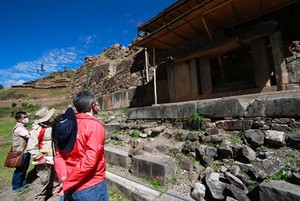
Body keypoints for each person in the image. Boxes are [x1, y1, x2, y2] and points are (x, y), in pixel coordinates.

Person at [53, 90, 108, 201]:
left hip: (69, 180)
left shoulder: (68, 124)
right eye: (96, 103)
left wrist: (63, 177)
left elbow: (59, 155)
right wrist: (68, 182)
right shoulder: (94, 125)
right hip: (90, 185)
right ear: (93, 105)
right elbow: (90, 161)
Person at [27, 107, 57, 201]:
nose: (52, 117)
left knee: (53, 176)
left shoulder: (52, 125)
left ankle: (51, 191)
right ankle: (39, 198)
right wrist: (39, 157)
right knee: (43, 179)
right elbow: (31, 147)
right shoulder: (37, 130)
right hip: (44, 158)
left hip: (53, 156)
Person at [11, 111, 31, 193]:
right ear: (19, 119)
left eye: (26, 116)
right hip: (20, 152)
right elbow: (28, 134)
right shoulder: (19, 128)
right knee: (20, 169)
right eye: (24, 117)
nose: (26, 118)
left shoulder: (22, 127)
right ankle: (16, 186)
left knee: (24, 168)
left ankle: (23, 183)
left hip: (24, 151)